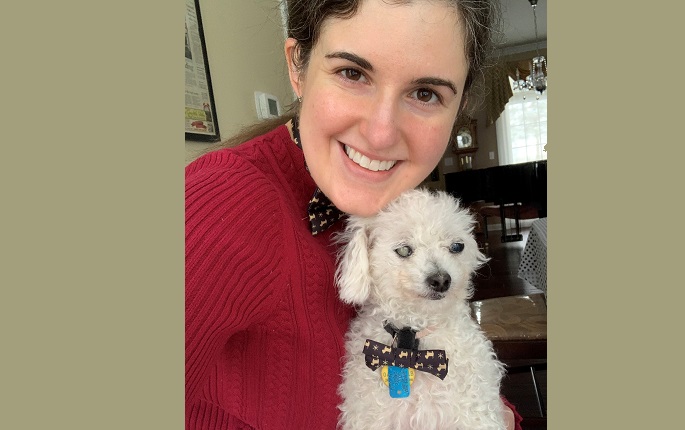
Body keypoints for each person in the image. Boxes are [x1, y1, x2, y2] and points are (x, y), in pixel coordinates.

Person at [185, 0, 523, 428]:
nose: (380, 134)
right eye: (352, 73)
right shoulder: (220, 204)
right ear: (298, 67)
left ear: (460, 106)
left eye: (425, 93)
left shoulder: (393, 200)